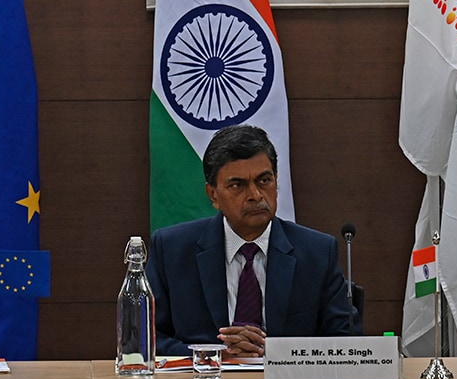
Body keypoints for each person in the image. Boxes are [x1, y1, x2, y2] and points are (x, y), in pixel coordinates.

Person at [146, 124, 359, 358]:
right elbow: (146, 337)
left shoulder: (317, 252)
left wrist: (275, 353)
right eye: (238, 185)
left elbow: (345, 340)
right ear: (213, 194)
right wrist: (213, 355)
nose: (255, 195)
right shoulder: (172, 249)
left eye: (264, 181)